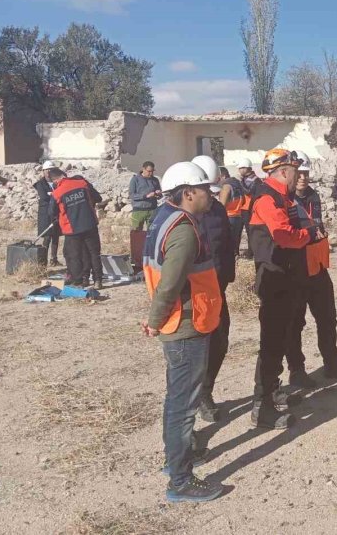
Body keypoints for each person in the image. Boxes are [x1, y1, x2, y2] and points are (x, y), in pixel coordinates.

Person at [141, 161, 224, 503]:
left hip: (178, 323)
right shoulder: (184, 230)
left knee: (176, 398)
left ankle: (175, 458)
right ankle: (180, 480)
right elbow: (171, 283)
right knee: (183, 405)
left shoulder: (163, 218)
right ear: (188, 193)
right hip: (186, 325)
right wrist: (155, 320)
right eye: (205, 189)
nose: (210, 194)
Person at [247, 148, 316, 429]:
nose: (298, 176)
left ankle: (273, 392)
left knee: (280, 337)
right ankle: (262, 407)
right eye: (295, 171)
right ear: (284, 171)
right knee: (271, 343)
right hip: (273, 280)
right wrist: (308, 234)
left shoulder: (280, 197)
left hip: (283, 278)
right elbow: (283, 235)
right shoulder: (267, 199)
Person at [284, 151, 337, 387]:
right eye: (299, 173)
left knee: (327, 318)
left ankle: (332, 364)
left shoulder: (313, 196)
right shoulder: (284, 200)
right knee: (296, 323)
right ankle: (297, 371)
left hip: (318, 268)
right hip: (296, 271)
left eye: (306, 173)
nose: (303, 177)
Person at [191, 156, 237, 422]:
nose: (210, 195)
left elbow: (227, 244)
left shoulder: (218, 210)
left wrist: (227, 276)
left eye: (212, 190)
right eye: (205, 190)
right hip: (193, 295)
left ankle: (205, 390)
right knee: (196, 348)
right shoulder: (181, 215)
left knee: (220, 342)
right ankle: (194, 399)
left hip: (217, 289)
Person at [48, 167, 104, 289]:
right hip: (90, 224)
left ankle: (78, 281)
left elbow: (51, 212)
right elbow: (97, 197)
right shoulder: (82, 183)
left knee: (74, 256)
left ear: (55, 181)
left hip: (72, 229)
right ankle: (98, 280)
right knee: (94, 253)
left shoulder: (57, 193)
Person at [33, 160, 60, 266]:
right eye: (46, 170)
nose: (48, 172)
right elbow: (44, 197)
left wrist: (52, 194)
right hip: (46, 214)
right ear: (43, 171)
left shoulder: (57, 182)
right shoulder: (40, 184)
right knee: (47, 237)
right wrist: (55, 194)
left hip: (56, 213)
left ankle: (54, 260)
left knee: (56, 237)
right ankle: (43, 261)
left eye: (50, 170)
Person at [220, 165, 250, 257]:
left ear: (223, 176)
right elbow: (243, 200)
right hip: (238, 216)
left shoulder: (226, 186)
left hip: (229, 216)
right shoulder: (237, 183)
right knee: (236, 240)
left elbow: (222, 205)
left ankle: (231, 257)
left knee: (228, 241)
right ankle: (236, 255)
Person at [129, 161, 163, 231]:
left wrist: (158, 194)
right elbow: (131, 195)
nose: (151, 173)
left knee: (152, 231)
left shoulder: (155, 180)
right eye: (149, 171)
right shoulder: (135, 179)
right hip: (138, 211)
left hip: (152, 210)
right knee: (136, 232)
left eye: (152, 171)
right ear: (143, 169)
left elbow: (160, 196)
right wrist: (146, 196)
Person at [238, 158, 260, 258]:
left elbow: (248, 191)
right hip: (243, 208)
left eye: (241, 168)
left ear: (247, 168)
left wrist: (241, 183)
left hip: (249, 209)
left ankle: (251, 252)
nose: (239, 170)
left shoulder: (255, 180)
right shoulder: (245, 179)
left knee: (250, 232)